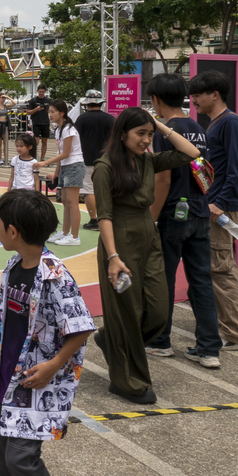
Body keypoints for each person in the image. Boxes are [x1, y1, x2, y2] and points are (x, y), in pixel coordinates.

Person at [0, 188, 94, 476]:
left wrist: (53, 365)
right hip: (7, 380)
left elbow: (80, 327)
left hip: (37, 382)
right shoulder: (13, 267)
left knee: (21, 459)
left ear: (13, 231)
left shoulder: (55, 276)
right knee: (4, 461)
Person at [92, 107, 200, 404]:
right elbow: (104, 215)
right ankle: (129, 382)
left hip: (148, 237)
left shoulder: (148, 160)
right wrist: (113, 256)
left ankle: (109, 338)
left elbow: (191, 153)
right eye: (141, 133)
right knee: (128, 311)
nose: (146, 140)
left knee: (158, 310)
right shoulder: (105, 167)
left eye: (149, 134)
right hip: (120, 241)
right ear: (122, 133)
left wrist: (161, 127)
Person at [145, 74, 221, 368]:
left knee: (161, 279)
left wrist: (151, 219)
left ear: (156, 100)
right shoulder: (198, 128)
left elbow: (163, 179)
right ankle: (209, 348)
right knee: (201, 280)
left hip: (172, 214)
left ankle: (160, 341)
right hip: (200, 212)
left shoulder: (165, 131)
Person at [188, 71, 238, 353]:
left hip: (219, 208)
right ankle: (229, 327)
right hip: (211, 205)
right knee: (219, 266)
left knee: (221, 268)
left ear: (215, 94)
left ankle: (234, 333)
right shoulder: (214, 124)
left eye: (198, 95)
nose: (194, 100)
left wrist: (221, 203)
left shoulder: (231, 123)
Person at [34, 100, 85, 246]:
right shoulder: (58, 129)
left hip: (74, 165)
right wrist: (56, 172)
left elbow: (66, 153)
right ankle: (65, 232)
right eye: (49, 112)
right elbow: (61, 153)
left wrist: (45, 162)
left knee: (72, 202)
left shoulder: (69, 129)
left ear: (61, 113)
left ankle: (74, 237)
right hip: (65, 167)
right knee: (64, 201)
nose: (50, 115)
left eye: (52, 112)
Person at [74, 90, 114, 232]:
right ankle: (108, 218)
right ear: (101, 103)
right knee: (107, 189)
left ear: (87, 104)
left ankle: (94, 220)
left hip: (87, 159)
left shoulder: (82, 119)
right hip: (107, 160)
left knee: (89, 190)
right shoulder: (110, 119)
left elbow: (75, 139)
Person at [24, 85, 53, 161]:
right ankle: (33, 157)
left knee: (44, 141)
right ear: (37, 91)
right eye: (40, 92)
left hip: (45, 122)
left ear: (45, 91)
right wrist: (36, 109)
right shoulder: (33, 100)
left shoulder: (48, 100)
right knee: (36, 141)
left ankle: (42, 158)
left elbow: (53, 110)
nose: (41, 93)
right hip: (36, 122)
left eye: (42, 92)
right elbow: (28, 112)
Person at [0, 94, 16, 166]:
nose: (3, 99)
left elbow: (14, 103)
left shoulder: (6, 106)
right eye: (2, 98)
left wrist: (8, 97)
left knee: (5, 142)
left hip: (5, 124)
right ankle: (0, 158)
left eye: (4, 98)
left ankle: (5, 157)